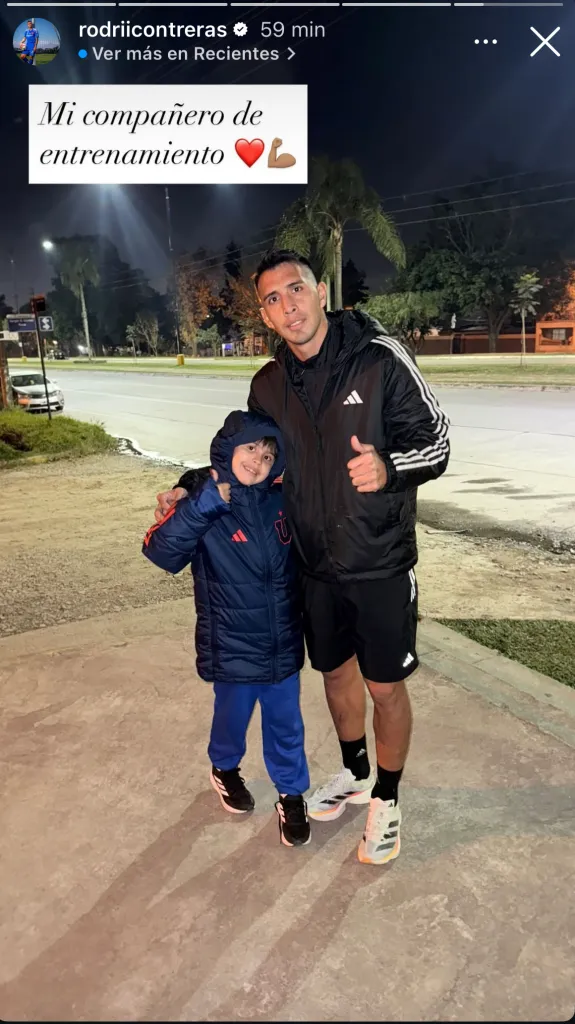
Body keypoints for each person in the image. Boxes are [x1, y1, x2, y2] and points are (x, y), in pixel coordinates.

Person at [156, 249, 450, 866]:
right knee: (335, 676)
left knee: (385, 686)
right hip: (312, 565)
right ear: (264, 313)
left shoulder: (380, 358)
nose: (287, 307)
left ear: (320, 291)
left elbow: (438, 442)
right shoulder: (268, 384)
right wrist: (191, 483)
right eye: (272, 299)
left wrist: (390, 466)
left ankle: (388, 801)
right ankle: (355, 772)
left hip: (379, 562)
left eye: (295, 290)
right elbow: (250, 460)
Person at [143, 409, 310, 848]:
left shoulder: (281, 498)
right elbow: (161, 552)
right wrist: (199, 498)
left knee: (286, 724)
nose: (258, 460)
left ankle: (291, 794)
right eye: (250, 447)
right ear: (228, 448)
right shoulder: (204, 500)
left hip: (282, 643)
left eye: (269, 454)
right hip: (233, 643)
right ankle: (224, 768)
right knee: (232, 718)